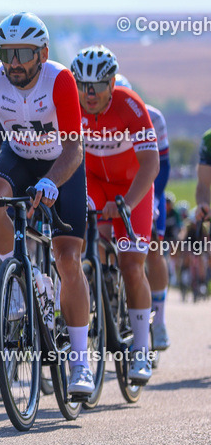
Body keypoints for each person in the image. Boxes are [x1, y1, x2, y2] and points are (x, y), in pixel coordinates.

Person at [0, 12, 95, 396]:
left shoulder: (60, 79)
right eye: (7, 52)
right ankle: (23, 276)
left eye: (23, 53)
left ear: (42, 53)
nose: (14, 62)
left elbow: (75, 148)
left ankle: (80, 363)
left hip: (61, 162)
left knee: (67, 258)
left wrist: (51, 180)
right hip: (18, 155)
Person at [73, 48, 159, 382]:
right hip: (93, 182)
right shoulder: (72, 102)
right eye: (82, 85)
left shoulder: (129, 105)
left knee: (132, 263)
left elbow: (150, 164)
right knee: (74, 245)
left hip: (132, 186)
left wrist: (125, 202)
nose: (88, 94)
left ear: (111, 82)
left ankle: (140, 350)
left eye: (96, 86)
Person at [117, 74, 172, 350]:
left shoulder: (153, 117)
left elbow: (160, 168)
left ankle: (159, 323)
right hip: (113, 184)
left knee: (153, 247)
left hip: (145, 183)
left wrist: (153, 201)